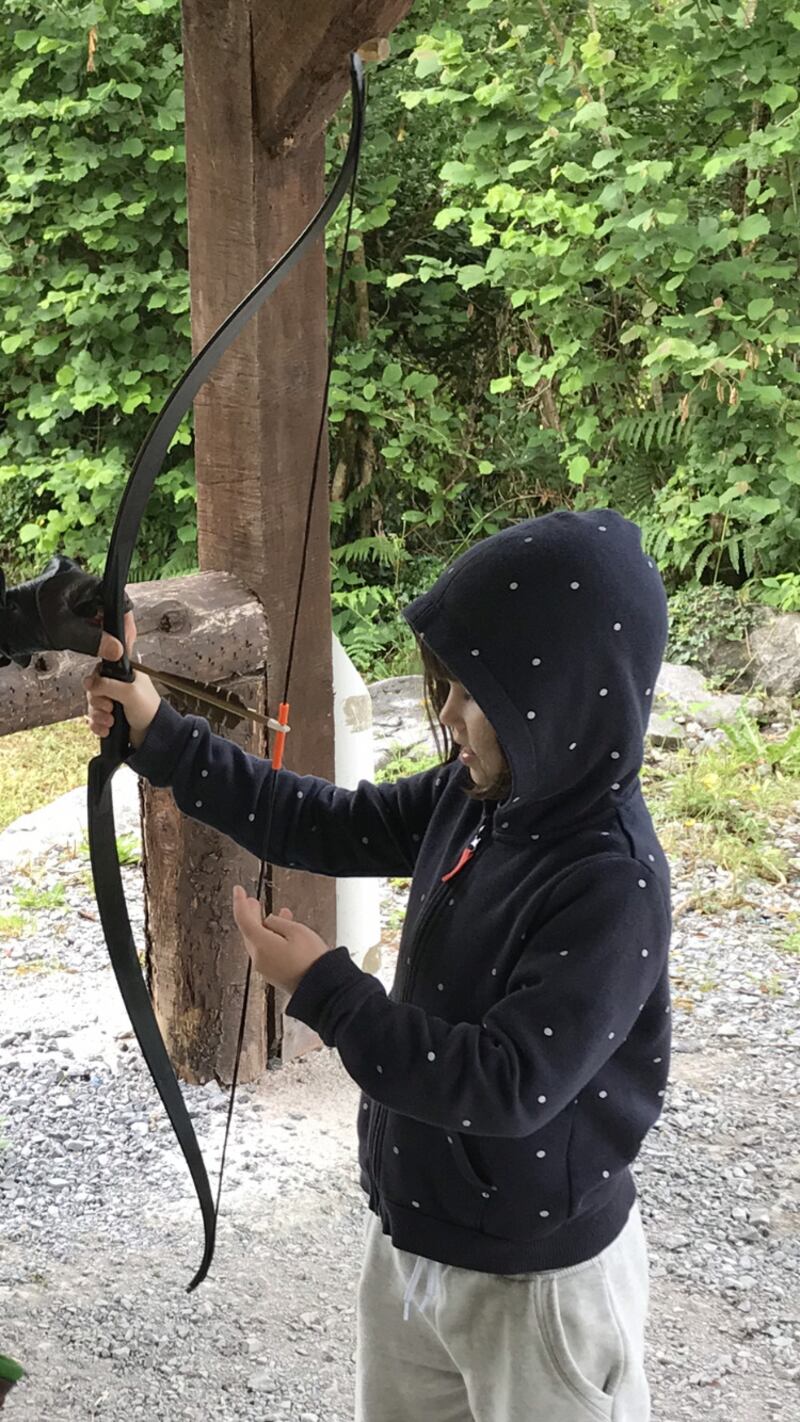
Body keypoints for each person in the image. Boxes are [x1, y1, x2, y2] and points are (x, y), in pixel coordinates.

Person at [85, 507, 672, 1422]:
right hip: (414, 1237)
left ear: (559, 702)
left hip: (540, 1287)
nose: (447, 714)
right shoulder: (480, 793)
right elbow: (327, 821)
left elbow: (506, 1083)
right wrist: (162, 735)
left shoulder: (612, 883)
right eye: (449, 686)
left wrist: (327, 991)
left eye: (477, 697)